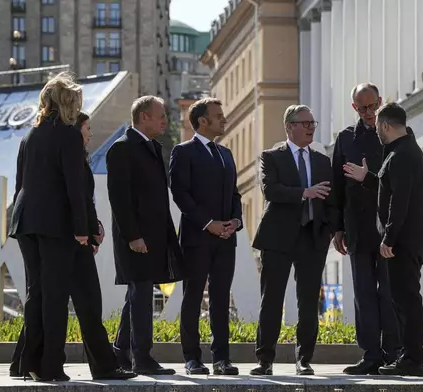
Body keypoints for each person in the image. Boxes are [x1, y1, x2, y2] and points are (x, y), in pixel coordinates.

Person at [8, 113, 136, 381]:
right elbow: (75, 193)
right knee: (78, 300)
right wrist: (85, 232)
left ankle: (25, 362)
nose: (90, 134)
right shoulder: (68, 146)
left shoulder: (34, 140)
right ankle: (102, 365)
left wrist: (92, 227)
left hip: (52, 230)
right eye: (87, 128)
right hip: (67, 235)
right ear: (75, 129)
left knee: (45, 296)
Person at [8, 72, 89, 382]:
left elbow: (20, 186)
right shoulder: (68, 135)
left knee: (35, 293)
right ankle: (50, 367)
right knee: (54, 296)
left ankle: (26, 363)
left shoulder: (30, 135)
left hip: (26, 220)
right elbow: (74, 187)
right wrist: (82, 228)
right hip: (55, 224)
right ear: (67, 103)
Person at [250, 105, 338, 376]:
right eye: (305, 123)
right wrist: (305, 192)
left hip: (312, 237)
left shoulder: (323, 161)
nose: (311, 127)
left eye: (313, 122)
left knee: (309, 301)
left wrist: (330, 230)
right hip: (278, 237)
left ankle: (304, 360)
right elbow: (271, 190)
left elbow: (333, 201)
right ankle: (265, 360)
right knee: (272, 299)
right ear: (289, 127)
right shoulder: (271, 157)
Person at [343, 102, 423, 377]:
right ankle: (407, 356)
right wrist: (368, 178)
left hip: (402, 242)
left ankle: (413, 359)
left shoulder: (402, 155)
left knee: (407, 301)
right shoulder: (402, 152)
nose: (375, 130)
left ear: (386, 126)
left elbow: (399, 202)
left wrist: (388, 238)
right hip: (406, 240)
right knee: (401, 301)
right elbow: (387, 186)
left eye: (378, 125)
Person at [107, 96, 185, 375]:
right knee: (140, 294)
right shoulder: (122, 148)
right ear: (142, 117)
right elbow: (119, 198)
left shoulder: (152, 147)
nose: (165, 119)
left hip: (153, 235)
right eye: (160, 115)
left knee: (137, 295)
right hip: (135, 238)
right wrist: (133, 236)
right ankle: (142, 357)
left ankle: (120, 351)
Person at [169, 98, 242, 375]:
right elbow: (180, 194)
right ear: (202, 121)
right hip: (197, 238)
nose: (224, 119)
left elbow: (235, 194)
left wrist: (235, 221)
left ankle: (221, 359)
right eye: (218, 115)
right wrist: (208, 223)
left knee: (221, 298)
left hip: (226, 239)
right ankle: (192, 358)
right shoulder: (183, 151)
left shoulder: (226, 154)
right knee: (192, 297)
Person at [332, 83, 400, 375]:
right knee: (363, 293)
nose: (370, 112)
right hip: (357, 227)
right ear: (354, 109)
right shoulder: (345, 138)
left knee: (389, 291)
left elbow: (403, 179)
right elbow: (336, 186)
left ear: (381, 102)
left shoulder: (395, 134)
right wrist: (337, 228)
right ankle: (370, 353)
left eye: (373, 106)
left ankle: (394, 352)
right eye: (363, 108)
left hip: (388, 227)